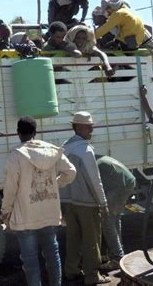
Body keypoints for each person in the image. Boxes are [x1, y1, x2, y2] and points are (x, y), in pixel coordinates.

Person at [1, 116, 76, 286]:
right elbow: (71, 172)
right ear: (35, 132)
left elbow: (10, 189)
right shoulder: (52, 151)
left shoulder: (16, 156)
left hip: (25, 217)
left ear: (18, 133)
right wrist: (56, 184)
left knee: (30, 261)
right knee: (52, 254)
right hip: (49, 214)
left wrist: (5, 211)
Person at [60, 111, 110, 284]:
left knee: (72, 237)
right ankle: (92, 275)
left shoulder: (64, 147)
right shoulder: (86, 150)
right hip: (87, 203)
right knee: (92, 239)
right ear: (79, 127)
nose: (91, 130)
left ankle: (71, 271)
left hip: (67, 202)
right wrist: (103, 203)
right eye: (89, 127)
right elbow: (95, 181)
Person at [96, 155, 136, 270]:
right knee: (115, 218)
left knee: (107, 221)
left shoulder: (91, 163)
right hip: (128, 182)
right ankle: (119, 253)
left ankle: (117, 258)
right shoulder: (97, 158)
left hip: (119, 186)